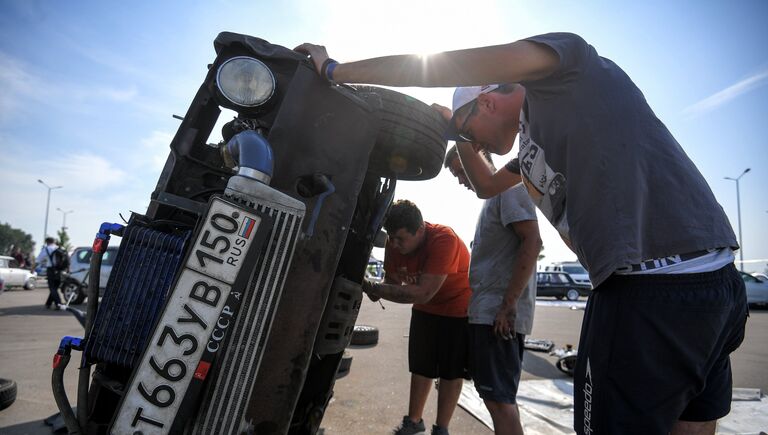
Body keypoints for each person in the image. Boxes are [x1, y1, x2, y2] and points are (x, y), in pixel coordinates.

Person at [296, 33, 747, 435]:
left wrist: (336, 69)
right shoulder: (532, 146)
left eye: (472, 130)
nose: (479, 146)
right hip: (715, 286)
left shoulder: (568, 70)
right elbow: (486, 186)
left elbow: (450, 65)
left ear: (488, 101)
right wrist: (458, 130)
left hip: (649, 288)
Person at [445, 145, 540, 435]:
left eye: (463, 171)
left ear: (481, 155)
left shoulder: (508, 190)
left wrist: (507, 304)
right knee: (496, 400)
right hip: (488, 313)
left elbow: (532, 242)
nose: (463, 180)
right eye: (457, 175)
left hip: (497, 317)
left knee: (499, 402)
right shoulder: (493, 198)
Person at [363, 199, 471, 435]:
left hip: (457, 305)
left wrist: (374, 288)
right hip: (425, 308)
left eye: (401, 238)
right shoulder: (393, 245)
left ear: (420, 230)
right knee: (421, 365)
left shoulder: (444, 239)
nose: (395, 244)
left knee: (451, 370)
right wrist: (365, 284)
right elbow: (391, 284)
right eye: (392, 238)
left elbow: (423, 292)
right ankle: (413, 421)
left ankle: (441, 428)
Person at [36, 237, 63, 309]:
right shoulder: (61, 248)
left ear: (47, 242)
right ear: (54, 241)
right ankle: (48, 303)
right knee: (55, 287)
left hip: (51, 270)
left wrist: (33, 268)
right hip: (60, 270)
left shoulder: (47, 249)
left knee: (52, 288)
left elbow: (38, 260)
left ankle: (59, 304)